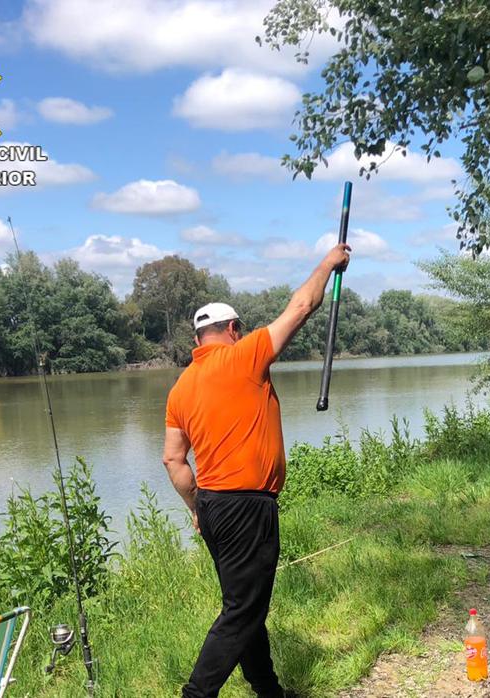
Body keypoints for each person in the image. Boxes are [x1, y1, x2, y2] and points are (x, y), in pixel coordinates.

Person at [162, 243, 351, 698]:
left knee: (244, 606)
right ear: (232, 330)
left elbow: (173, 460)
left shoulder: (179, 389)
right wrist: (328, 262)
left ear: (196, 340)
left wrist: (196, 508)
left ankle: (269, 690)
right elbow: (303, 306)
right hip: (247, 505)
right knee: (242, 611)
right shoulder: (244, 355)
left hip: (211, 505)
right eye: (238, 330)